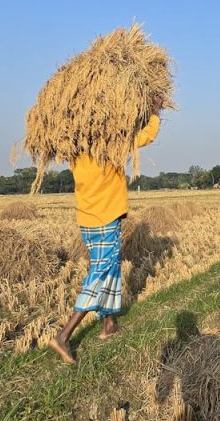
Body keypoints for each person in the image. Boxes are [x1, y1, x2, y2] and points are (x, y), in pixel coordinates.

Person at [49, 98, 163, 365]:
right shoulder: (111, 146)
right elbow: (145, 136)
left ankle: (108, 325)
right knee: (100, 273)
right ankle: (64, 336)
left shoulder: (75, 151)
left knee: (109, 267)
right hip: (106, 218)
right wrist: (155, 113)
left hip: (87, 220)